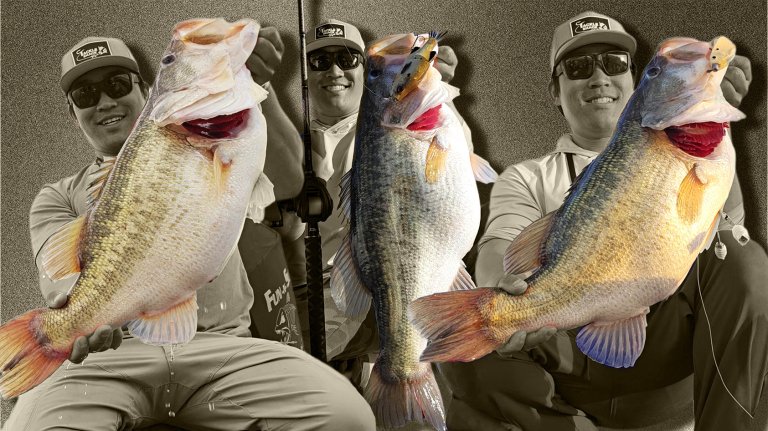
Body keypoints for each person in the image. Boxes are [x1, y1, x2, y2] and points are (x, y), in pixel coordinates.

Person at [3, 30, 375, 430]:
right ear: (72, 113)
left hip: (224, 347)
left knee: (347, 416)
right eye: (86, 95)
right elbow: (63, 282)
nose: (105, 101)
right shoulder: (55, 196)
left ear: (146, 90)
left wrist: (257, 83)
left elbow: (287, 183)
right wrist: (74, 323)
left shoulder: (217, 141)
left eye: (116, 85)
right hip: (110, 356)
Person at [441, 11, 768, 431]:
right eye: (578, 68)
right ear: (555, 92)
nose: (598, 78)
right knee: (470, 341)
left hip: (667, 360)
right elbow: (498, 255)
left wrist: (716, 115)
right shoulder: (525, 177)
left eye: (615, 64)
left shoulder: (696, 151)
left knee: (744, 260)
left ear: (633, 85)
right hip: (570, 359)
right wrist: (504, 300)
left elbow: (726, 237)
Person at [283, 19, 470, 387]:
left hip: (377, 301)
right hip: (307, 305)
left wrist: (436, 81)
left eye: (349, 59)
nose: (334, 70)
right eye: (319, 62)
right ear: (304, 79)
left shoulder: (399, 125)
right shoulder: (282, 144)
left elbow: (453, 156)